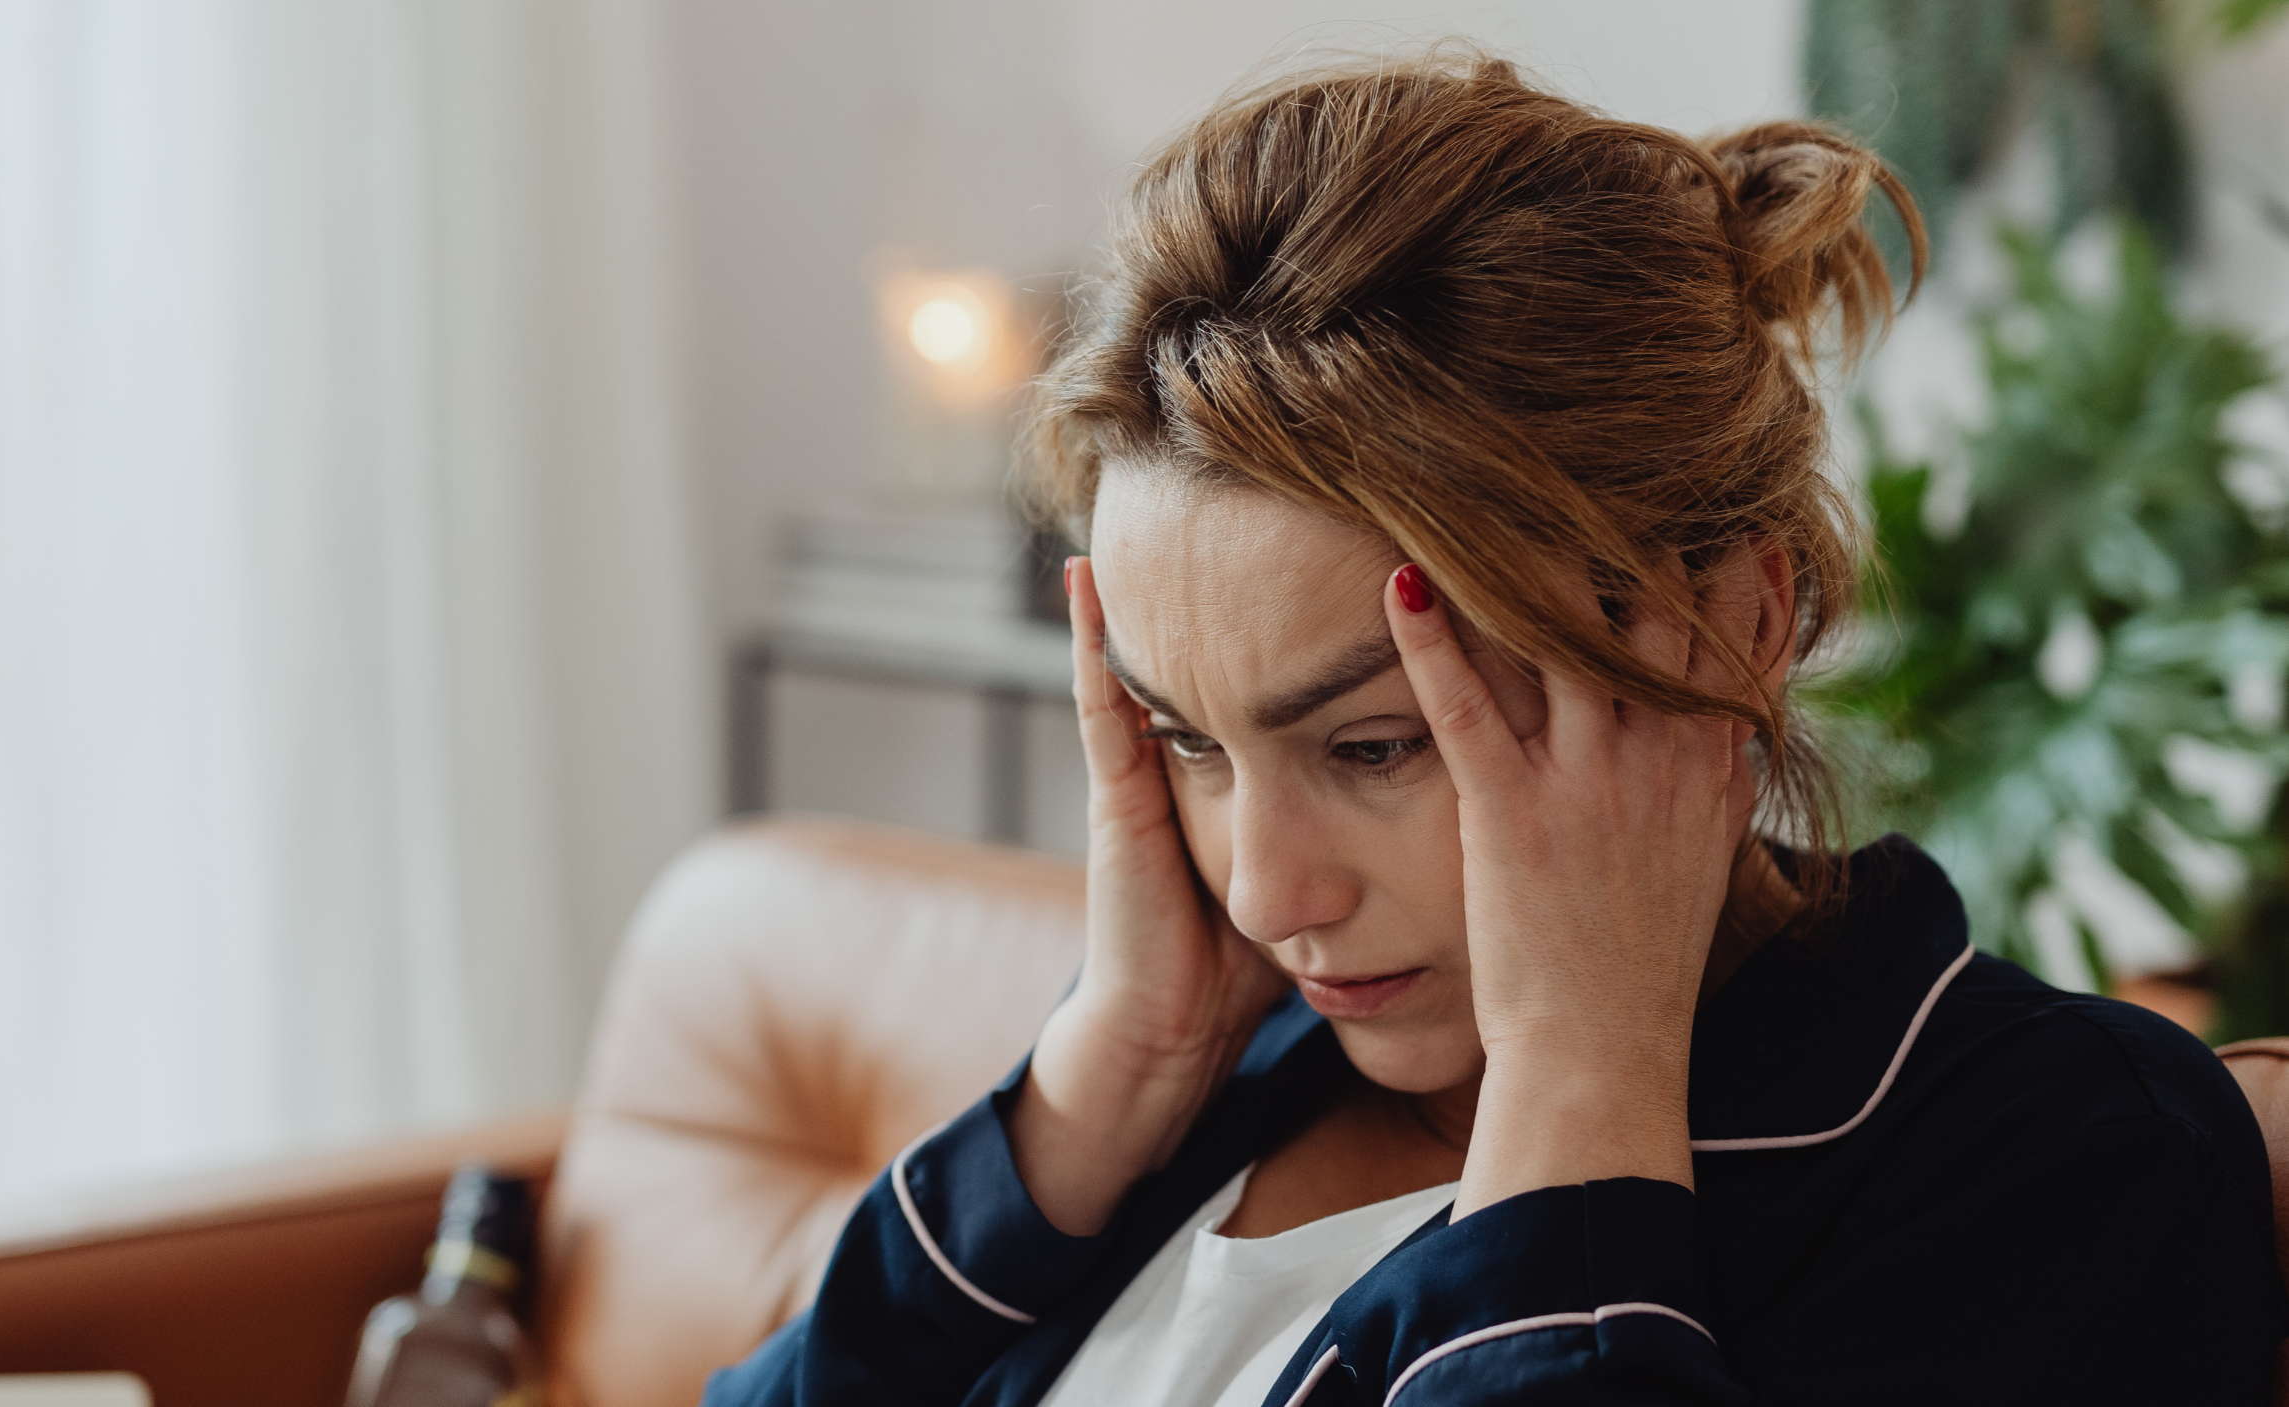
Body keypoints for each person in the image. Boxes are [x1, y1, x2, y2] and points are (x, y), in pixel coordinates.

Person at [704, 51, 2285, 1407]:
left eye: (1376, 743)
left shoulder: (2046, 1163)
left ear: (1737, 618)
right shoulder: (1215, 1072)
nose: (1268, 891)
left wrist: (1584, 1085)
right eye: (1193, 741)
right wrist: (1089, 1095)